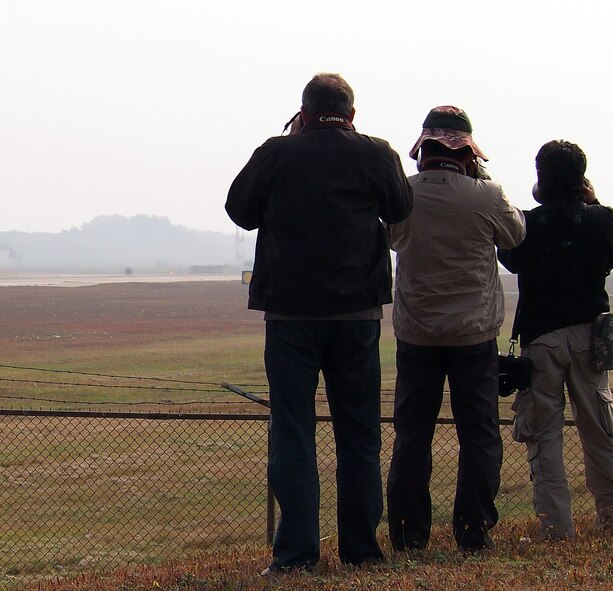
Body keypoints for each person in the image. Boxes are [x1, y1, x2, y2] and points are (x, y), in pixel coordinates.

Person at [225, 73, 412, 573]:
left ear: (302, 113)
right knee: (359, 433)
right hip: (357, 315)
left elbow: (239, 211)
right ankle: (362, 550)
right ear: (352, 114)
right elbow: (401, 207)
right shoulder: (376, 152)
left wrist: (289, 147)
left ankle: (296, 554)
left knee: (293, 432)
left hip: (290, 315)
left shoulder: (278, 153)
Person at [386, 106, 526, 552]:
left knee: (412, 436)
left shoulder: (401, 195)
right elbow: (516, 236)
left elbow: (387, 236)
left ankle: (409, 534)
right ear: (468, 152)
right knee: (480, 435)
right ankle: (473, 530)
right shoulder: (487, 195)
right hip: (474, 333)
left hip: (416, 333)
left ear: (422, 148)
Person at [497, 140, 613, 539]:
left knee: (544, 437)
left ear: (541, 176)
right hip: (591, 340)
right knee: (600, 433)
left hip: (541, 342)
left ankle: (555, 529)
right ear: (582, 177)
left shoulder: (527, 224)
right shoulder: (599, 219)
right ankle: (612, 523)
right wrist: (595, 203)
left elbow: (510, 256)